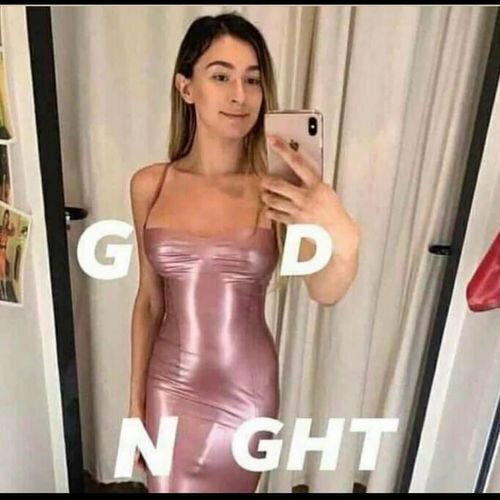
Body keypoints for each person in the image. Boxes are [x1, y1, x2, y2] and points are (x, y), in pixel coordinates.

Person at [128, 12, 360, 493]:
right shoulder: (150, 184)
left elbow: (326, 289)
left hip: (246, 393)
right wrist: (135, 407)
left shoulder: (278, 191)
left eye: (252, 80)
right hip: (168, 387)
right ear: (186, 87)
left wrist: (341, 232)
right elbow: (149, 300)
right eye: (221, 76)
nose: (240, 94)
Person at [0, 209, 16, 300]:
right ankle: (3, 292)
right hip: (0, 251)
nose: (6, 219)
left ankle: (4, 292)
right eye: (5, 217)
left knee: (4, 273)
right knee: (1, 272)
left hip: (4, 253)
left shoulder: (7, 230)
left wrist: (12, 226)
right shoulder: (0, 228)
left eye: (7, 218)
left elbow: (12, 233)